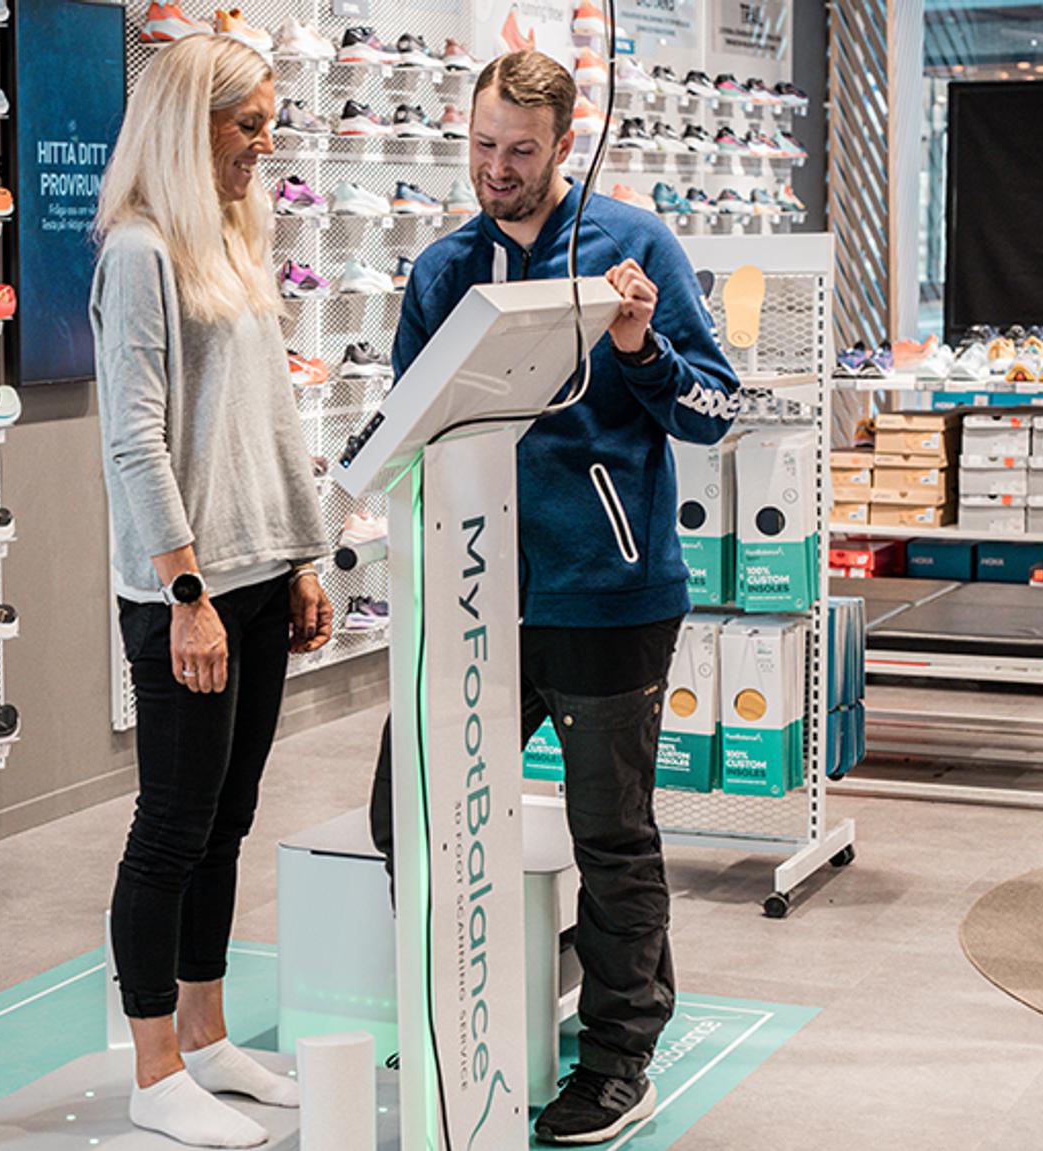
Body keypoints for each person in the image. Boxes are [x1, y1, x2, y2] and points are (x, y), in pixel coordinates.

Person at [369, 50, 742, 1145]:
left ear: (562, 144)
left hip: (608, 593)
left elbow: (714, 407)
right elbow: (404, 422)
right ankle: (461, 999)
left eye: (518, 151)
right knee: (413, 806)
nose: (494, 168)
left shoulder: (636, 244)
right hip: (471, 599)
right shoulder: (442, 269)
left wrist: (638, 347)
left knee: (609, 834)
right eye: (480, 146)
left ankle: (621, 1051)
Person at [90, 33, 335, 1151]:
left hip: (253, 572)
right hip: (184, 589)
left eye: (268, 123)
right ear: (191, 128)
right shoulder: (137, 250)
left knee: (226, 823)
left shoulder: (236, 235)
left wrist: (300, 552)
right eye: (249, 125)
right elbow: (134, 439)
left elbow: (270, 418)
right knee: (170, 828)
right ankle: (152, 1066)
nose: (263, 145)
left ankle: (206, 1033)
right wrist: (182, 588)